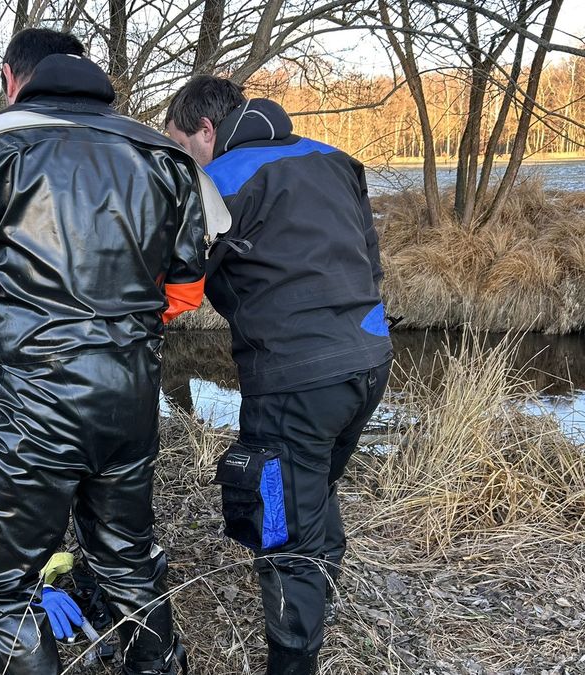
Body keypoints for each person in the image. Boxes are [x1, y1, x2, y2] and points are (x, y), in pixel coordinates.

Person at [0, 28, 227, 675]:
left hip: (37, 406)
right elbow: (187, 291)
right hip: (130, 401)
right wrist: (116, 323)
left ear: (9, 76)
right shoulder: (163, 153)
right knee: (126, 563)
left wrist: (11, 314)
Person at [164, 76, 393, 674]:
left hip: (294, 380)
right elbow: (369, 260)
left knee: (279, 526)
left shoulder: (223, 181)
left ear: (206, 132)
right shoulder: (331, 157)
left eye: (182, 146)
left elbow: (174, 284)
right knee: (309, 491)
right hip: (369, 360)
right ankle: (319, 582)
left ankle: (292, 661)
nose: (185, 162)